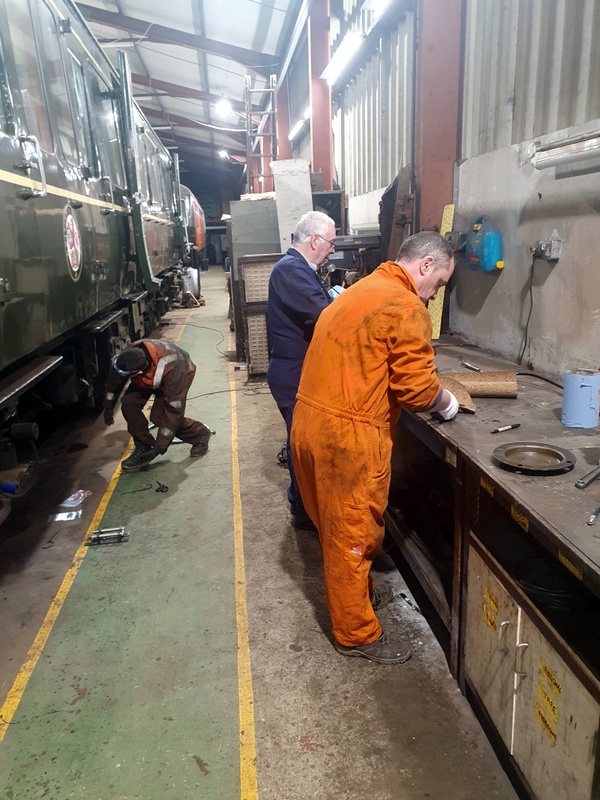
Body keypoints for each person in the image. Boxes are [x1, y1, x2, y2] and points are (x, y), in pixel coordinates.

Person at [290, 231, 459, 665]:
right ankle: (356, 633)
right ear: (425, 265)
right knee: (353, 534)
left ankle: (357, 597)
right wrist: (447, 402)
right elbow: (417, 391)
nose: (433, 294)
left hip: (308, 424)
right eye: (438, 283)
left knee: (335, 528)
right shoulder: (405, 306)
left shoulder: (360, 290)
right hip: (346, 439)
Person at [266, 211, 335, 531]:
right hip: (293, 373)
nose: (332, 250)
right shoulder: (291, 269)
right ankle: (304, 512)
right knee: (303, 444)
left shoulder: (299, 269)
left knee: (303, 441)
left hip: (299, 370)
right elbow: (324, 315)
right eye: (331, 243)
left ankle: (304, 504)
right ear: (315, 240)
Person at [103, 339, 212, 472]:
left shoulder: (174, 371)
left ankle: (199, 434)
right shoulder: (128, 357)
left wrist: (160, 446)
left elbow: (173, 411)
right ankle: (143, 446)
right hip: (150, 375)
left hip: (177, 373)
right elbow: (114, 379)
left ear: (138, 373)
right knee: (129, 402)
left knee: (160, 417)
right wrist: (109, 405)